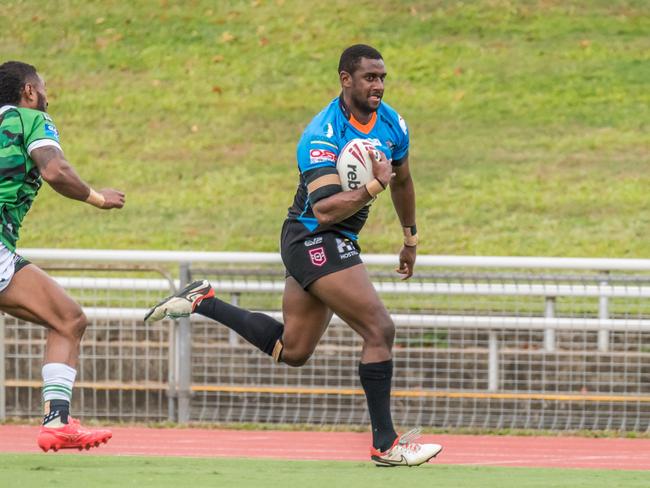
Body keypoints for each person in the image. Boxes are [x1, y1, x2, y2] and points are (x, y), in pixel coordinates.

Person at [145, 44, 442, 466]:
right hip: (312, 237)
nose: (378, 86)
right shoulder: (322, 133)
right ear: (345, 79)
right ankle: (386, 444)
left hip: (334, 239)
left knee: (294, 350)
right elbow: (323, 210)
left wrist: (410, 238)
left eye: (382, 78)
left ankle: (203, 300)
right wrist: (374, 186)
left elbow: (404, 180)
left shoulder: (393, 124)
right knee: (379, 329)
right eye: (369, 78)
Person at [0, 61, 125, 452]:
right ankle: (57, 420)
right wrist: (98, 197)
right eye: (43, 88)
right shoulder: (29, 119)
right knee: (69, 319)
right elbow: (54, 170)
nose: (46, 95)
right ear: (29, 92)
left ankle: (59, 421)